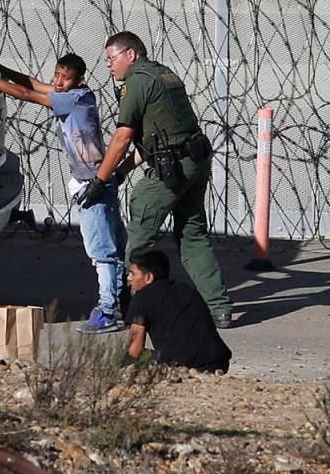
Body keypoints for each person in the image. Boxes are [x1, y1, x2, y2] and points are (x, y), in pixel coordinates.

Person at [0, 47, 128, 334]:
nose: (58, 81)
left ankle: (108, 310)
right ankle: (120, 301)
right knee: (112, 247)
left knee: (101, 252)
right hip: (99, 179)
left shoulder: (74, 99)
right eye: (56, 75)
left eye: (65, 78)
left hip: (93, 184)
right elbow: (32, 84)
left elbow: (27, 95)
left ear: (79, 80)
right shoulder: (75, 94)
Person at [80, 31, 234, 328]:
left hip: (172, 168)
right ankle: (220, 308)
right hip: (193, 161)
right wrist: (122, 172)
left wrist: (100, 180)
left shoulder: (137, 81)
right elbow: (154, 138)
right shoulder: (164, 74)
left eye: (111, 59)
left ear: (131, 55)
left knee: (138, 237)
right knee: (192, 235)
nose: (108, 66)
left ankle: (124, 307)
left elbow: (123, 137)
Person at [125, 248, 231, 373]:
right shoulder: (186, 289)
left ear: (149, 277)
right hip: (218, 360)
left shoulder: (142, 297)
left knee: (131, 359)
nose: (129, 278)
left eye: (133, 274)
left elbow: (134, 350)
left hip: (184, 364)